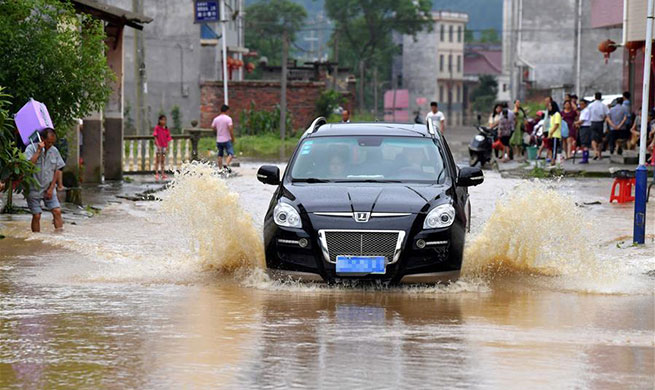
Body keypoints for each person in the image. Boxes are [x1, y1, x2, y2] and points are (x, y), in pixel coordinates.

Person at [24, 128, 65, 232]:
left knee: (57, 211)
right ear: (42, 139)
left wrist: (52, 188)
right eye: (48, 142)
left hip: (49, 187)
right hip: (33, 188)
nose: (50, 144)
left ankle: (60, 236)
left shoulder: (54, 151)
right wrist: (38, 151)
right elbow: (27, 166)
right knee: (37, 215)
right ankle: (36, 238)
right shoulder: (30, 148)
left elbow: (57, 169)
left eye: (52, 142)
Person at [211, 104, 235, 173]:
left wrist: (217, 132)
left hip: (219, 139)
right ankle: (226, 164)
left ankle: (220, 169)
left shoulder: (216, 119)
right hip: (227, 139)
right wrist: (232, 137)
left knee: (220, 155)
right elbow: (230, 129)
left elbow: (213, 127)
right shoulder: (228, 119)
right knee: (230, 153)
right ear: (227, 110)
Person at [588, 92, 609, 160]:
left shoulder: (590, 105)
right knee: (600, 139)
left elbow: (588, 114)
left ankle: (595, 151)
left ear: (594, 97)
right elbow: (607, 114)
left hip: (593, 122)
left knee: (593, 138)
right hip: (600, 122)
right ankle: (599, 154)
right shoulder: (603, 105)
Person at [152, 114, 172, 181]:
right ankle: (156, 173)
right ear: (159, 120)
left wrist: (167, 146)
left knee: (163, 161)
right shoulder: (157, 128)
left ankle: (163, 173)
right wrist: (158, 145)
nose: (163, 121)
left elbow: (168, 138)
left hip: (164, 146)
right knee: (157, 160)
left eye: (165, 120)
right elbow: (155, 137)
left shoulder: (166, 129)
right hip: (158, 146)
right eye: (162, 120)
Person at [575, 99, 592, 163]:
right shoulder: (583, 111)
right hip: (582, 127)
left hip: (585, 127)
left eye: (582, 104)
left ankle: (585, 158)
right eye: (580, 104)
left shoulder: (586, 111)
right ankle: (584, 157)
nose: (581, 105)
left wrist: (576, 123)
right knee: (583, 143)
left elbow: (582, 121)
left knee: (585, 143)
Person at [548, 101, 562, 165]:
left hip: (555, 134)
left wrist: (551, 132)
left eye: (550, 106)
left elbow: (556, 125)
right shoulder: (552, 115)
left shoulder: (557, 114)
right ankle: (551, 158)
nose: (549, 107)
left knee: (554, 148)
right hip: (551, 134)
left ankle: (553, 159)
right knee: (551, 147)